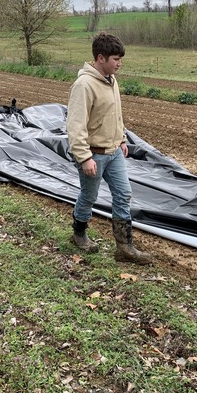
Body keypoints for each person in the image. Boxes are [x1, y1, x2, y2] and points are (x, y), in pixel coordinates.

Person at [66, 33, 153, 265]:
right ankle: (79, 233)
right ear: (101, 58)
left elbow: (115, 115)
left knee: (123, 194)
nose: (119, 63)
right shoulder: (84, 86)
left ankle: (124, 248)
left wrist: (122, 139)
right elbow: (75, 125)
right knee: (89, 196)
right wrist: (84, 157)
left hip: (114, 152)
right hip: (93, 154)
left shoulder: (111, 80)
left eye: (120, 58)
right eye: (116, 58)